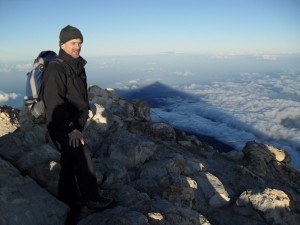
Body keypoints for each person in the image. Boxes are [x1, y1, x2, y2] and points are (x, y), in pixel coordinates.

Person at [43, 25, 112, 210]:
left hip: (76, 122)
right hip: (63, 125)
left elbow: (77, 94)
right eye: (73, 43)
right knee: (83, 155)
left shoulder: (77, 65)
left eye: (80, 43)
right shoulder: (55, 69)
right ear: (62, 44)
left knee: (68, 159)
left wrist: (85, 110)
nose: (77, 46)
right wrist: (71, 128)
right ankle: (92, 199)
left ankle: (67, 198)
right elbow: (54, 103)